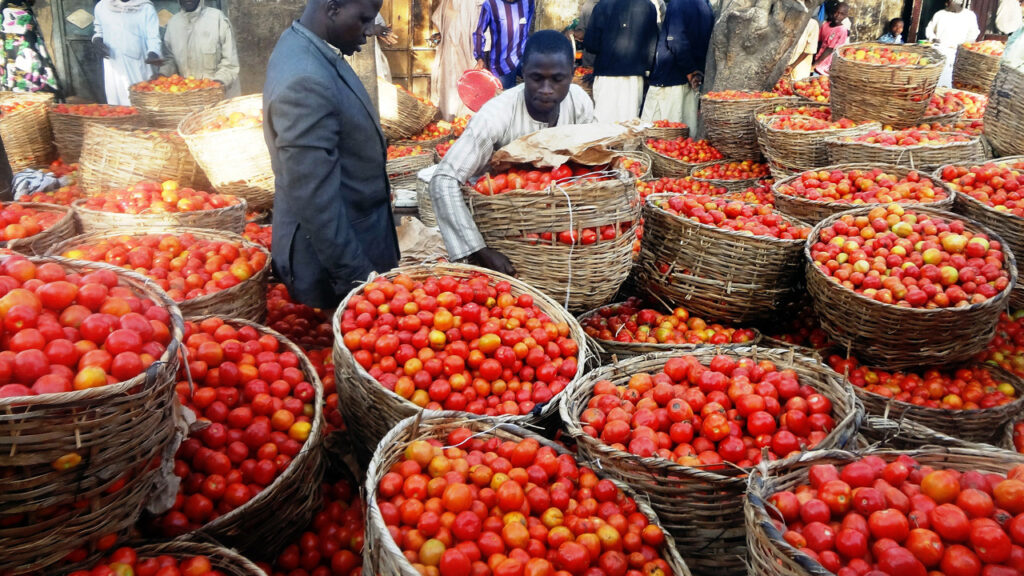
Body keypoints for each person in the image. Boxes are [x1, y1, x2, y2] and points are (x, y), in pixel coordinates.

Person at [263, 0, 399, 309]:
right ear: (333, 8)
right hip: (331, 263)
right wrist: (358, 278)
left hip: (352, 242)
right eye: (364, 19)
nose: (369, 31)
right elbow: (314, 198)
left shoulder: (304, 46)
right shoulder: (306, 78)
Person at [430, 30, 594, 275]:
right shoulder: (496, 115)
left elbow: (593, 161)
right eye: (537, 78)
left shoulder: (579, 102)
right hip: (502, 226)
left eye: (557, 79)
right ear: (522, 73)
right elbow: (443, 180)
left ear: (572, 74)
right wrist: (480, 250)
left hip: (561, 229)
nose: (546, 89)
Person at [640, 0, 712, 129]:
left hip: (671, 78)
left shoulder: (678, 3)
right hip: (692, 79)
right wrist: (695, 71)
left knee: (655, 131)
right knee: (684, 133)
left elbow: (675, 40)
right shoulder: (706, 5)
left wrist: (690, 70)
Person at [584, 0, 657, 123]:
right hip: (634, 75)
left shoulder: (602, 6)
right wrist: (647, 68)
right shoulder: (648, 6)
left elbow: (591, 44)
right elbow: (652, 45)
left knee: (603, 122)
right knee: (629, 124)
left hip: (606, 73)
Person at [160, 0, 241, 97]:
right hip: (188, 97)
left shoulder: (217, 19)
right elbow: (170, 59)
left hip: (220, 96)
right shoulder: (173, 24)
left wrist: (217, 83)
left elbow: (230, 63)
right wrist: (163, 75)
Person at [92, 0, 163, 105]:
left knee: (139, 102)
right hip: (113, 65)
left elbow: (153, 37)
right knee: (117, 105)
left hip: (137, 64)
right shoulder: (102, 6)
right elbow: (99, 31)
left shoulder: (145, 8)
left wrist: (153, 53)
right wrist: (97, 41)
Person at [429, 0, 480, 118]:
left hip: (469, 50)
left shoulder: (475, 4)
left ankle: (465, 120)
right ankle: (450, 118)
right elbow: (438, 19)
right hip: (450, 49)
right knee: (449, 83)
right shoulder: (447, 2)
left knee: (467, 83)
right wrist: (438, 36)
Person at [0, 0, 60, 93]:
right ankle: (23, 89)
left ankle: (20, 89)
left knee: (23, 51)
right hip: (12, 15)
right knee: (24, 50)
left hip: (17, 14)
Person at [473, 0, 534, 89]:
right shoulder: (491, 4)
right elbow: (479, 32)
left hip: (522, 58)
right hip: (501, 65)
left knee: (532, 93)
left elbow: (527, 28)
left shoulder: (528, 2)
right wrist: (479, 58)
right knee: (506, 99)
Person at [926, 0, 980, 87]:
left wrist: (964, 45)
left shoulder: (969, 16)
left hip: (958, 53)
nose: (947, 4)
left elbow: (973, 33)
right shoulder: (940, 14)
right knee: (937, 81)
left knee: (952, 81)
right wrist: (933, 38)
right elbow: (929, 29)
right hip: (940, 51)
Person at [812, 1, 849, 75]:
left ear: (845, 16)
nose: (837, 15)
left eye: (841, 14)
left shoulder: (842, 30)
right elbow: (819, 42)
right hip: (817, 60)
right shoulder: (825, 25)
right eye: (836, 12)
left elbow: (830, 49)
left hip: (827, 66)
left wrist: (815, 64)